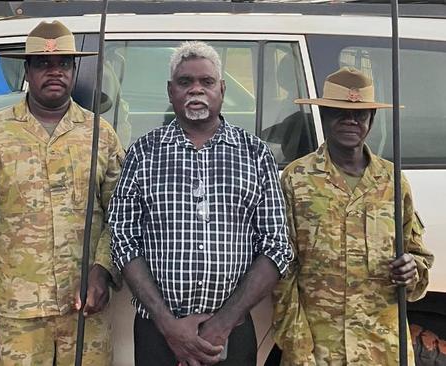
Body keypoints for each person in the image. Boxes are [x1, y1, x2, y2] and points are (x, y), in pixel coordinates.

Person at [109, 41, 293, 366]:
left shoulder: (254, 154)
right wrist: (169, 325)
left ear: (221, 88)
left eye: (206, 82)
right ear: (170, 91)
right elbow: (123, 240)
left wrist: (222, 323)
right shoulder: (143, 153)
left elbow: (276, 246)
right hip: (157, 331)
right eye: (185, 82)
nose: (196, 90)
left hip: (232, 332)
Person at [0, 20, 124, 365]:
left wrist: (103, 269)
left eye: (63, 63)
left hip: (84, 311)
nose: (54, 72)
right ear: (28, 70)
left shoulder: (100, 134)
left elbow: (121, 216)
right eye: (43, 63)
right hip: (17, 312)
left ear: (74, 69)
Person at [273, 67, 434, 365]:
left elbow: (418, 258)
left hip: (382, 348)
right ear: (324, 117)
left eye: (360, 115)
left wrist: (412, 271)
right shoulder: (296, 180)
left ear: (371, 121)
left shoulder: (392, 182)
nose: (350, 121)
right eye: (339, 113)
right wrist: (297, 345)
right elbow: (283, 272)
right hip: (319, 349)